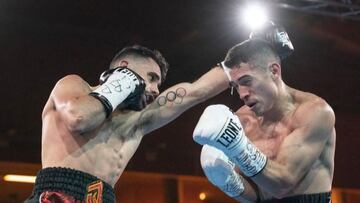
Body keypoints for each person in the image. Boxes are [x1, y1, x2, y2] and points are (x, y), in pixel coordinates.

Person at [25, 45, 229, 203]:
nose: (156, 90)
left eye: (158, 84)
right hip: (55, 196)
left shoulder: (135, 123)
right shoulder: (74, 85)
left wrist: (238, 63)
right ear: (124, 67)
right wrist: (122, 84)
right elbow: (79, 118)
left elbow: (196, 91)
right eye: (151, 78)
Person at [193, 38, 335, 203]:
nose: (242, 94)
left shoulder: (314, 112)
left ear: (274, 71)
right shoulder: (243, 120)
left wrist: (238, 147)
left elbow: (283, 185)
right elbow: (258, 198)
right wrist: (227, 181)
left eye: (246, 81)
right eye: (236, 86)